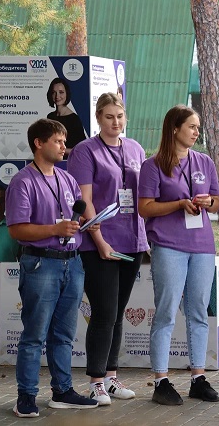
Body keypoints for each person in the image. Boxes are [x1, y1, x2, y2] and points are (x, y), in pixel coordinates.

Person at [6, 119, 99, 417]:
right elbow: (17, 229)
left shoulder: (67, 179)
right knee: (35, 334)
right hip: (40, 263)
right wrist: (54, 229)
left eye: (64, 141)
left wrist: (84, 224)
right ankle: (26, 396)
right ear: (39, 143)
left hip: (72, 263)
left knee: (64, 334)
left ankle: (62, 391)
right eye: (58, 141)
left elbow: (74, 215)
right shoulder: (23, 181)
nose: (63, 146)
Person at [67, 93, 148, 405]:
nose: (116, 122)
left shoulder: (136, 148)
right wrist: (100, 241)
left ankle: (112, 378)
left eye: (120, 116)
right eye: (109, 116)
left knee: (117, 314)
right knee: (103, 312)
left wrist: (147, 238)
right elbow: (85, 201)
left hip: (132, 240)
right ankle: (96, 382)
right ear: (98, 118)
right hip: (99, 242)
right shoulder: (85, 151)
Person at [138, 105, 219, 405]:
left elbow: (218, 202)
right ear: (174, 128)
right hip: (169, 245)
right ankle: (161, 380)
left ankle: (198, 377)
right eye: (192, 126)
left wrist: (208, 202)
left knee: (198, 311)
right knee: (166, 311)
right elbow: (144, 207)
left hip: (202, 246)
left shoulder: (204, 161)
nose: (197, 132)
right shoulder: (152, 165)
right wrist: (178, 204)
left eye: (198, 127)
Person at [46, 77, 86, 157]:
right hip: (52, 160)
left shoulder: (74, 119)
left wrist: (59, 149)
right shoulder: (50, 117)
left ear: (66, 94)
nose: (57, 96)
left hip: (69, 161)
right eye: (54, 92)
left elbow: (81, 150)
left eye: (61, 92)